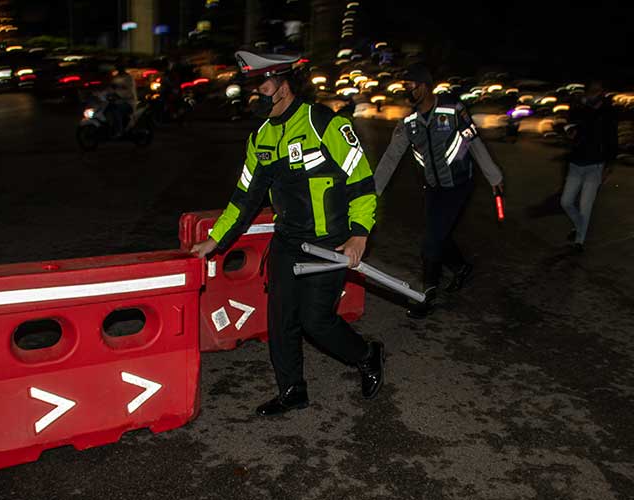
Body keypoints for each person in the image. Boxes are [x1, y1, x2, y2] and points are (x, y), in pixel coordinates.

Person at [191, 51, 385, 416]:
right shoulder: (261, 138)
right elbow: (243, 198)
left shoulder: (322, 123)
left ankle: (366, 354)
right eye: (253, 85)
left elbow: (360, 180)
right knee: (280, 321)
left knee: (316, 321)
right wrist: (215, 240)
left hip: (329, 243)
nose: (255, 92)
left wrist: (359, 235)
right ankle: (292, 389)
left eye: (261, 84)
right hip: (288, 242)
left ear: (283, 85)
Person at [373, 63, 504, 319]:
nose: (407, 91)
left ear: (424, 86)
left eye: (410, 87)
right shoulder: (409, 122)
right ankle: (461, 268)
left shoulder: (453, 110)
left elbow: (474, 142)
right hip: (433, 188)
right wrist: (372, 191)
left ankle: (427, 295)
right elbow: (391, 157)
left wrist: (493, 176)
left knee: (431, 243)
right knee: (439, 235)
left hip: (458, 185)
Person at [560, 79, 618, 252]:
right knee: (566, 202)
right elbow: (568, 127)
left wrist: (610, 163)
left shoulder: (607, 113)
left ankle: (580, 241)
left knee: (586, 206)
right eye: (593, 90)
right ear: (587, 92)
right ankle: (579, 227)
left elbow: (612, 140)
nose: (596, 93)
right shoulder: (579, 109)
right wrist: (570, 132)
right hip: (576, 164)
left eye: (599, 90)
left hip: (596, 165)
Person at [108, 59, 138, 138]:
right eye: (118, 65)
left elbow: (129, 91)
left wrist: (118, 95)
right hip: (117, 101)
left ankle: (119, 130)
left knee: (116, 110)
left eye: (120, 66)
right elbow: (110, 89)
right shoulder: (115, 77)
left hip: (128, 102)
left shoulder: (128, 78)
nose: (119, 67)